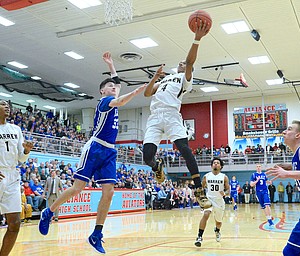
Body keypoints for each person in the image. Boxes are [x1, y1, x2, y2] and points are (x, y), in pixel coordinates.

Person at [38, 52, 146, 254]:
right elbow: (121, 100)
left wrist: (112, 65)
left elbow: (118, 83)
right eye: (110, 86)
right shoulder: (105, 102)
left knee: (110, 192)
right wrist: (137, 91)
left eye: (114, 86)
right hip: (95, 147)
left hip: (110, 151)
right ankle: (48, 212)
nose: (113, 87)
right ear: (102, 91)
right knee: (78, 188)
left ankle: (96, 233)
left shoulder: (112, 97)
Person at [142, 20, 211, 209]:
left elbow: (189, 61)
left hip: (172, 115)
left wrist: (196, 39)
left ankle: (198, 190)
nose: (181, 63)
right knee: (147, 157)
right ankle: (157, 167)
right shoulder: (166, 80)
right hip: (155, 117)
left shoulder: (184, 79)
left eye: (184, 64)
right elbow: (147, 93)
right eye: (179, 63)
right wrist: (155, 78)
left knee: (185, 150)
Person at [266, 120, 300, 255]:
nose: (284, 131)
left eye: (289, 129)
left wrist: (287, 173)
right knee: (290, 250)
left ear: (298, 135)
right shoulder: (297, 156)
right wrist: (289, 166)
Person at [0, 100, 33, 256]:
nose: (7, 107)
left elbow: (21, 159)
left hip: (12, 176)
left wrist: (26, 151)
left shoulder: (16, 129)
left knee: (15, 223)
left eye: (8, 105)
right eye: (2, 104)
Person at [194, 157, 230, 247]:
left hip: (219, 201)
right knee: (206, 215)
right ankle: (199, 237)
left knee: (218, 222)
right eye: (214, 162)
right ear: (211, 165)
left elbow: (228, 190)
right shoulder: (206, 176)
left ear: (221, 166)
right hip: (209, 199)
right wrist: (199, 197)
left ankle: (217, 231)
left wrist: (224, 193)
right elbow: (200, 189)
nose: (216, 164)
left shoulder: (224, 177)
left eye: (218, 163)